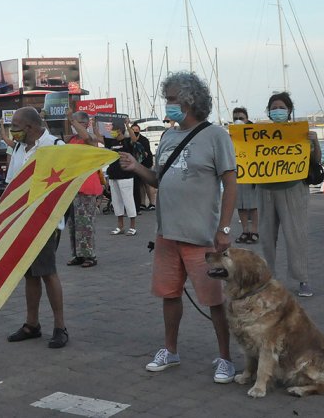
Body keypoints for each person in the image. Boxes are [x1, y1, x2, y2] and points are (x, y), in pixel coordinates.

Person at [118, 71, 236, 384]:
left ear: (189, 100)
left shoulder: (216, 136)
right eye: (167, 98)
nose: (167, 104)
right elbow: (158, 177)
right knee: (169, 295)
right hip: (166, 234)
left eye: (171, 99)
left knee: (213, 300)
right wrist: (136, 167)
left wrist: (223, 228)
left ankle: (225, 357)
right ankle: (170, 350)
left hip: (202, 236)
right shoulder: (168, 137)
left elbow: (230, 182)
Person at [5, 107, 69, 349]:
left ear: (30, 127)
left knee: (47, 272)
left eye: (16, 127)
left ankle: (60, 326)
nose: (13, 132)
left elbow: (65, 184)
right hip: (22, 220)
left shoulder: (55, 146)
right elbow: (12, 184)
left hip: (45, 221)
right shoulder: (20, 148)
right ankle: (32, 323)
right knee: (29, 274)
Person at [258, 92, 320, 297]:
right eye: (274, 107)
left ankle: (303, 279)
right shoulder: (260, 133)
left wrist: (315, 141)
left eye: (281, 107)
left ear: (289, 110)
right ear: (268, 111)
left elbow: (315, 160)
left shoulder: (300, 132)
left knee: (296, 235)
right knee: (267, 237)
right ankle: (268, 278)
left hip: (293, 189)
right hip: (266, 190)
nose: (277, 111)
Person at [65, 111, 103, 267]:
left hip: (87, 185)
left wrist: (72, 121)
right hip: (72, 186)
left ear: (85, 124)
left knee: (85, 223)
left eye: (76, 122)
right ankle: (78, 254)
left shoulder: (91, 139)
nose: (73, 125)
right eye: (72, 122)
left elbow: (88, 137)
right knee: (73, 224)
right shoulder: (72, 140)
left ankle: (89, 255)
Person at [94, 118, 139, 236]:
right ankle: (120, 226)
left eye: (113, 128)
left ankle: (133, 226)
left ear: (119, 130)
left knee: (128, 200)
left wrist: (127, 124)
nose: (111, 131)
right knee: (116, 201)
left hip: (126, 175)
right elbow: (97, 136)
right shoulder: (110, 141)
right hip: (114, 175)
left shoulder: (127, 141)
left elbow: (134, 139)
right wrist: (95, 122)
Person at [231, 108, 259, 244]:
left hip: (252, 172)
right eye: (235, 117)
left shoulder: (255, 133)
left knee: (253, 205)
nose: (238, 120)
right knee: (240, 205)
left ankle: (254, 231)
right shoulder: (231, 135)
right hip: (238, 173)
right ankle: (245, 230)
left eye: (241, 118)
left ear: (247, 118)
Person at [131, 123, 156, 211]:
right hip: (138, 165)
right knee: (140, 184)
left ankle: (152, 203)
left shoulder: (144, 140)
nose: (135, 132)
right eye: (133, 131)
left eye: (137, 130)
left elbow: (145, 153)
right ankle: (142, 203)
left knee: (148, 184)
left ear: (139, 131)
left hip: (146, 163)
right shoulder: (129, 140)